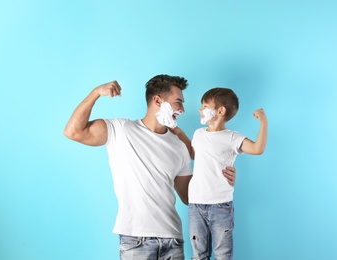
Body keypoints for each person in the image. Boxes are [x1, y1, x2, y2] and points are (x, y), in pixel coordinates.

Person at [63, 75, 237, 259]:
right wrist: (96, 93)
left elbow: (189, 197)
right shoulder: (121, 130)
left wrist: (219, 177)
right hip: (136, 241)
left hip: (173, 241)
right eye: (178, 102)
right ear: (157, 100)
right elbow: (73, 131)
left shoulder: (179, 146)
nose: (183, 110)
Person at [173, 87, 268, 260]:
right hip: (196, 204)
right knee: (198, 255)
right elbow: (195, 154)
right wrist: (179, 133)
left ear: (220, 111)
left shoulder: (231, 137)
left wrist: (263, 123)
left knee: (223, 255)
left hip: (221, 206)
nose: (200, 110)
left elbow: (257, 148)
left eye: (204, 106)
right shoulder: (199, 134)